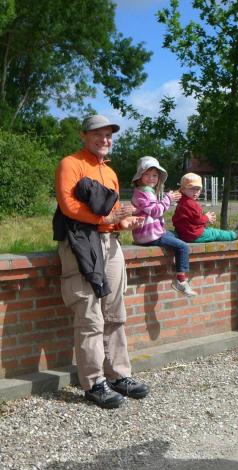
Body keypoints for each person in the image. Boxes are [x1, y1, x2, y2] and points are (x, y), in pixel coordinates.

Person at [54, 114, 150, 409]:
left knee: (114, 312)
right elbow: (69, 207)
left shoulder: (109, 172)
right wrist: (106, 219)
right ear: (84, 135)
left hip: (110, 245)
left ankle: (118, 375)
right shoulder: (70, 164)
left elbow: (113, 214)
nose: (104, 139)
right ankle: (94, 383)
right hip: (81, 244)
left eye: (108, 135)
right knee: (90, 315)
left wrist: (124, 222)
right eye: (98, 134)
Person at [130, 156, 196, 297]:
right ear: (140, 176)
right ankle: (181, 280)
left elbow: (153, 208)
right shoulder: (144, 193)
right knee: (183, 246)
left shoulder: (145, 191)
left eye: (154, 175)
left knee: (175, 235)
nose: (151, 178)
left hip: (152, 233)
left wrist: (167, 198)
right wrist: (168, 199)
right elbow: (156, 211)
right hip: (150, 236)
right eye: (147, 174)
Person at [172, 173, 238, 243]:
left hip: (184, 234)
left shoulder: (181, 201)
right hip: (193, 235)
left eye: (198, 189)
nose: (196, 192)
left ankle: (232, 233)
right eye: (192, 188)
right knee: (215, 233)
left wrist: (204, 221)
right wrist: (207, 217)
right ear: (183, 189)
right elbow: (198, 220)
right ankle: (234, 235)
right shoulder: (190, 203)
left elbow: (180, 219)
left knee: (209, 230)